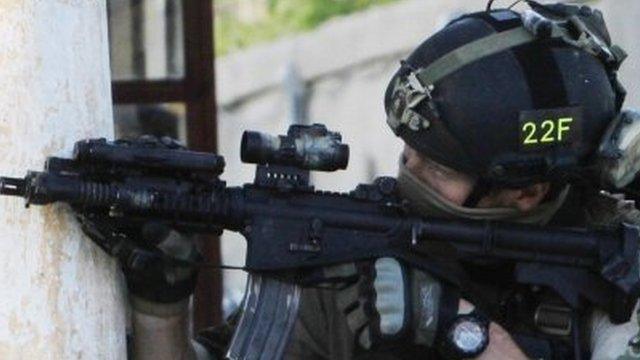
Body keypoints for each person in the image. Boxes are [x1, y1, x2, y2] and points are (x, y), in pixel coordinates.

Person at [79, 1, 640, 359]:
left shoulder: (616, 276)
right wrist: (161, 311)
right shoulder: (358, 280)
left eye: (437, 169)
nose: (407, 175)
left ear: (527, 192)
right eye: (408, 152)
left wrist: (464, 334)